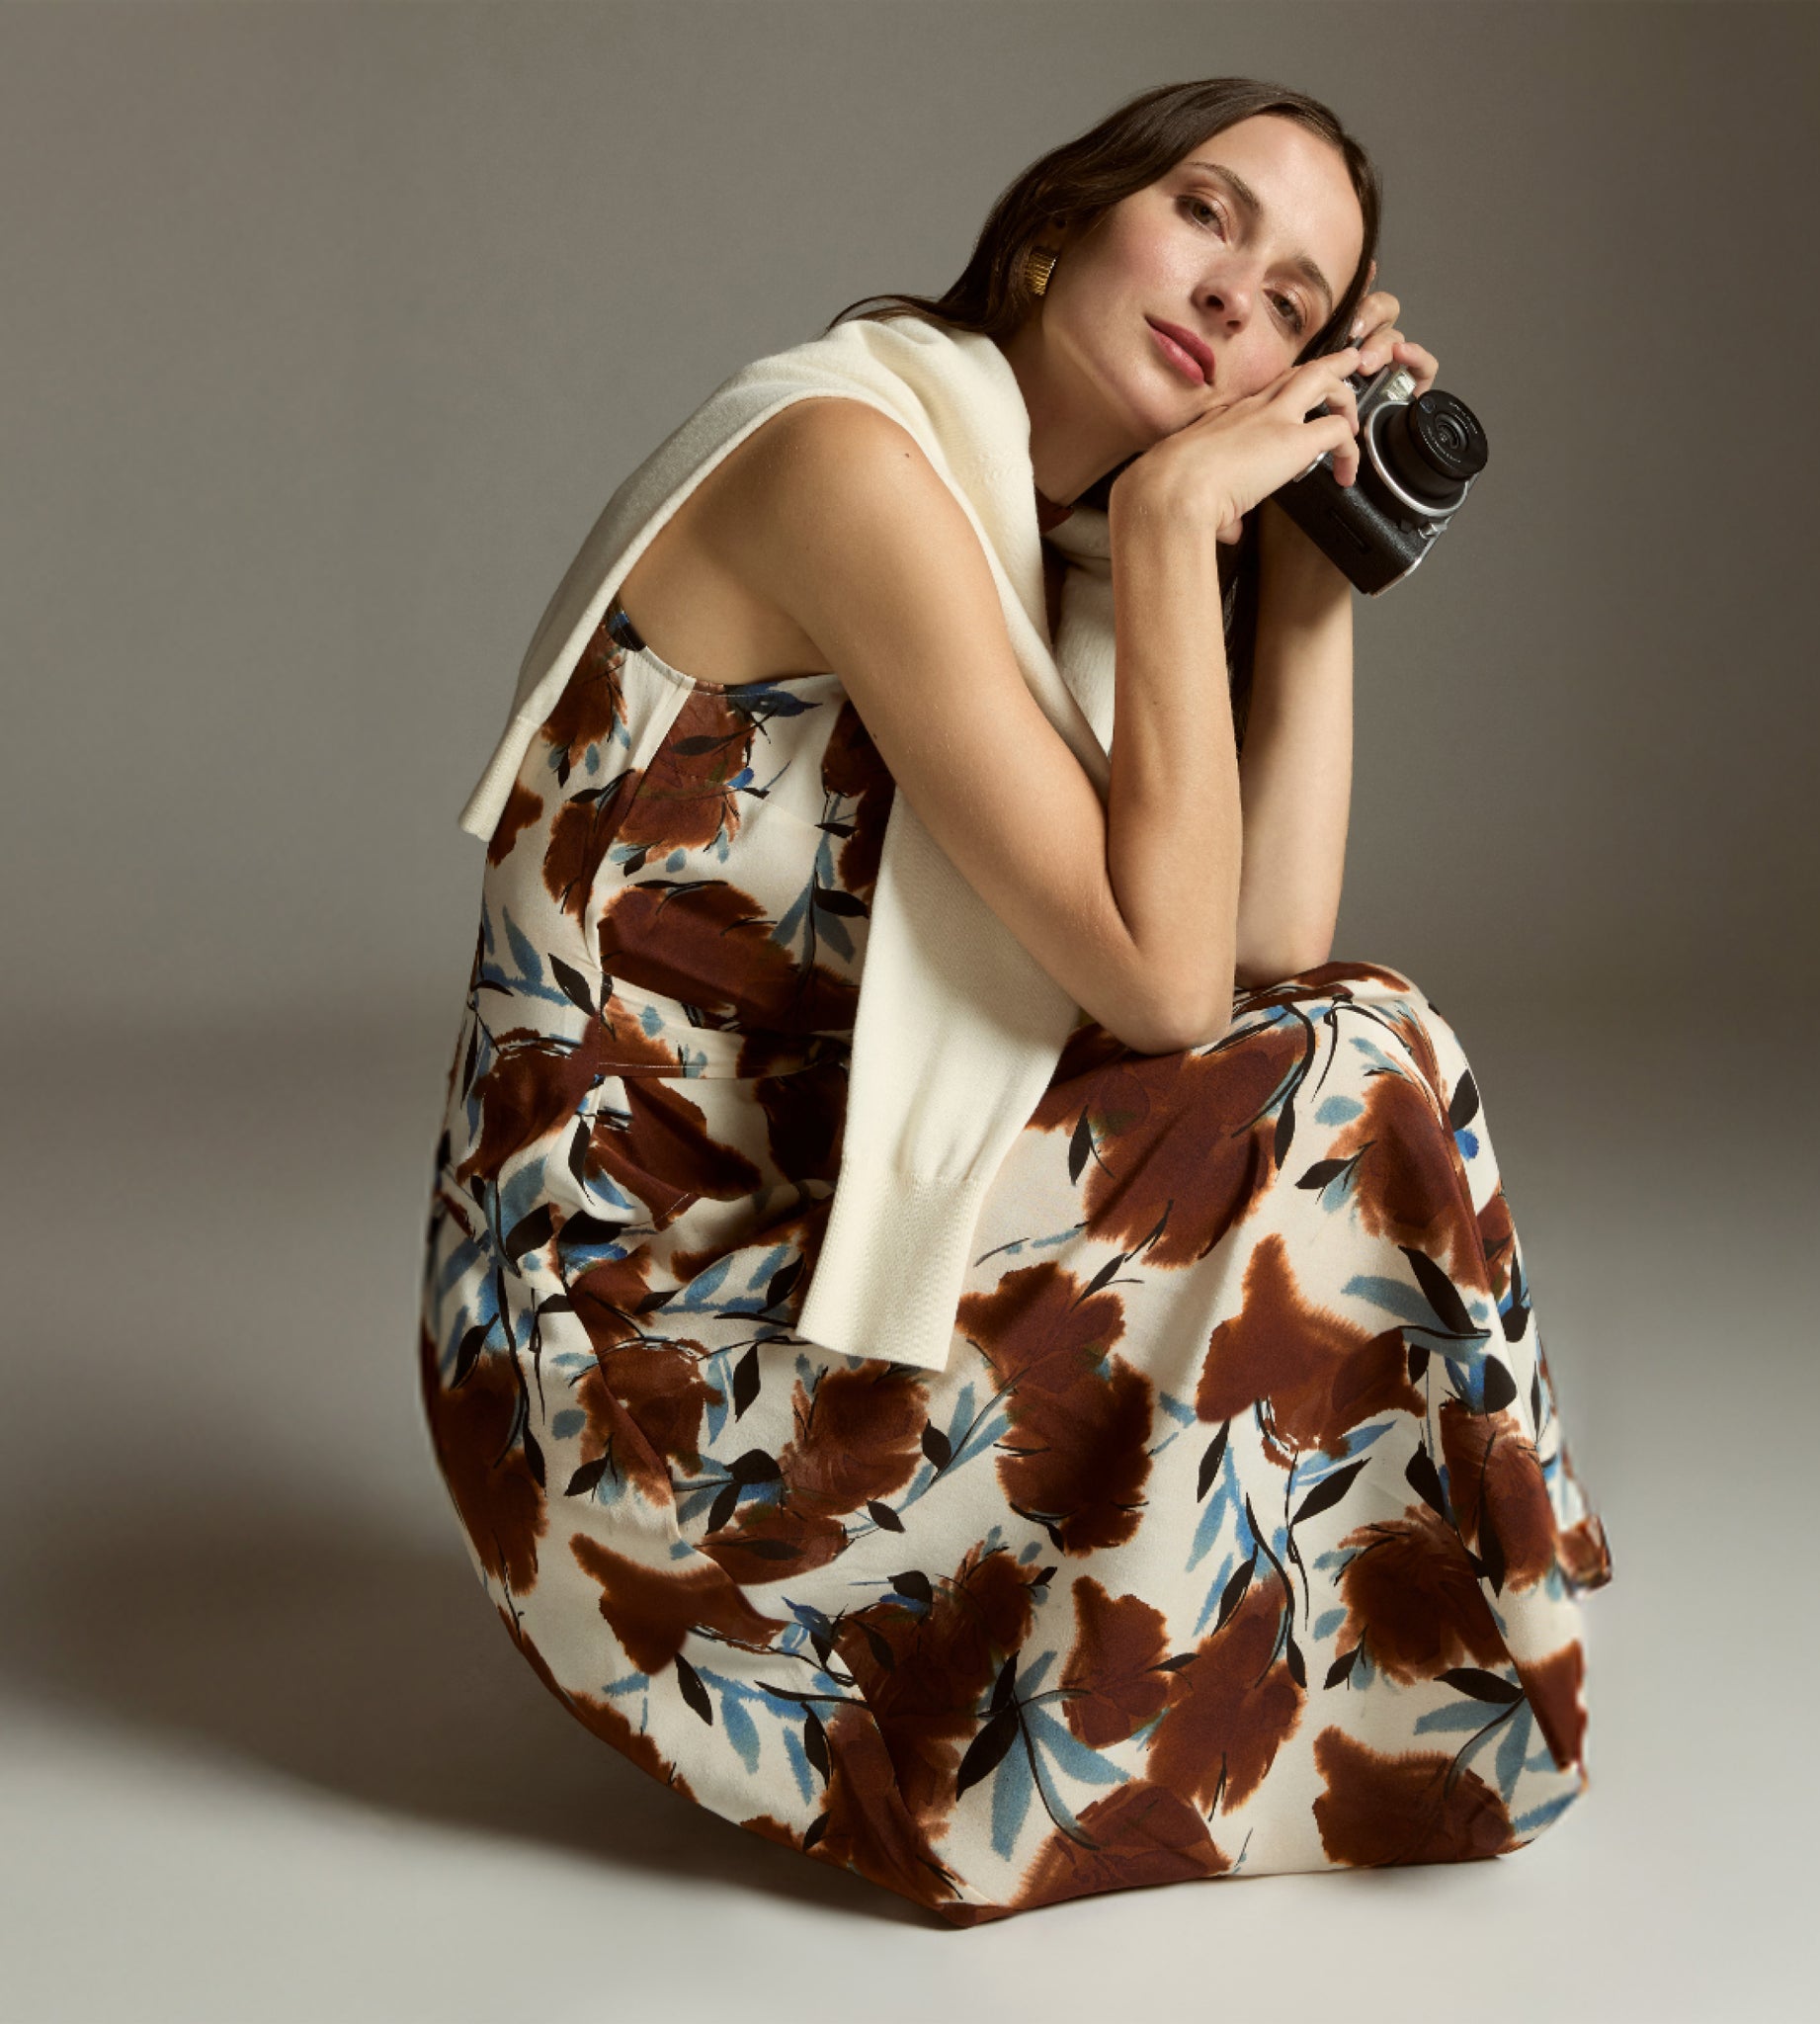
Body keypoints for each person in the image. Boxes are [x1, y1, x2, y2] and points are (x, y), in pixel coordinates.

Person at [417, 76, 1612, 1926]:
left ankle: (1297, 1665)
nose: (1235, 297)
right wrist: (1176, 525)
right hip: (621, 1393)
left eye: (1297, 304)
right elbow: (1159, 988)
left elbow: (1267, 948)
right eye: (1209, 215)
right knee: (1357, 1067)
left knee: (1352, 1035)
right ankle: (1327, 1668)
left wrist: (1316, 550)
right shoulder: (852, 458)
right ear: (1065, 221)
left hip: (792, 1281)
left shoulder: (1057, 550)